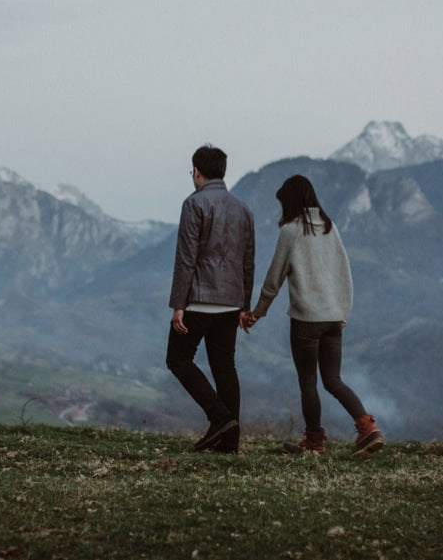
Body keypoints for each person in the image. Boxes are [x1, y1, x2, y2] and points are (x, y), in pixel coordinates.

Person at [242, 174, 385, 458]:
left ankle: (314, 441)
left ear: (291, 202)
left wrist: (257, 312)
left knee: (308, 383)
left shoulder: (291, 231)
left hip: (307, 320)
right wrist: (343, 312)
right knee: (333, 380)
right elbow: (345, 275)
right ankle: (367, 427)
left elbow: (274, 279)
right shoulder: (331, 229)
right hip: (334, 317)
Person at [165, 145, 255, 453]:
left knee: (177, 359)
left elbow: (186, 259)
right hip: (231, 301)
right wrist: (245, 305)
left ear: (197, 173)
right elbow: (248, 261)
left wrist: (179, 305)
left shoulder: (194, 205)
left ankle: (219, 418)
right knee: (224, 366)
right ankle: (229, 443)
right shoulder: (243, 209)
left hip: (199, 300)